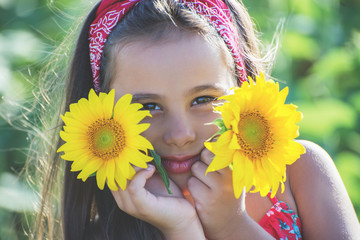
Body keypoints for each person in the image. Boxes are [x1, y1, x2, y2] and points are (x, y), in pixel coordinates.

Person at [32, 0, 360, 239]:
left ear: (243, 88)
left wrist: (232, 225)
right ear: (99, 117)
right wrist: (182, 229)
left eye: (203, 100)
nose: (180, 134)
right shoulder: (105, 233)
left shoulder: (300, 172)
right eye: (146, 107)